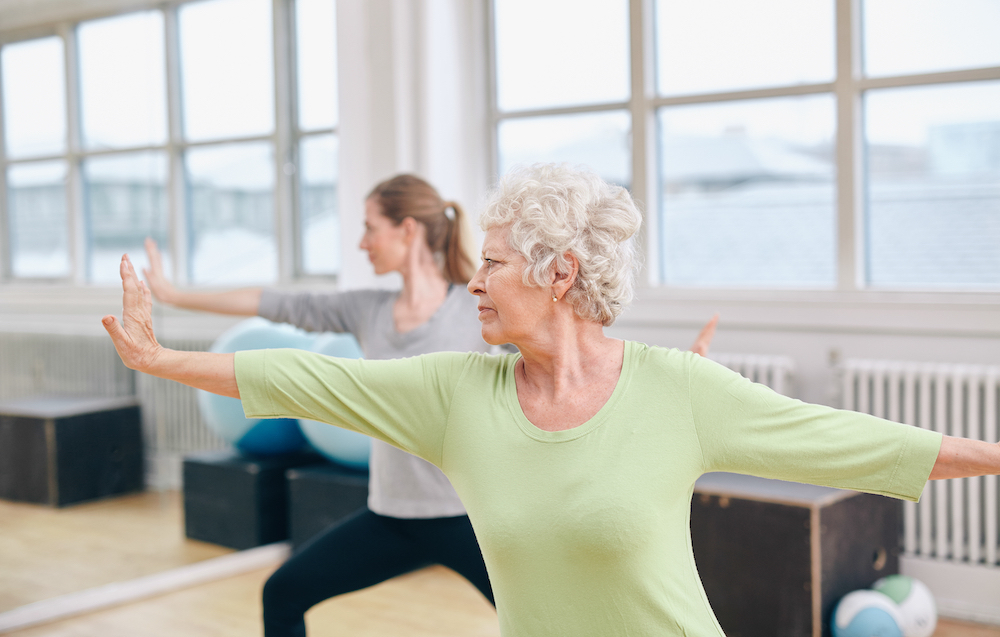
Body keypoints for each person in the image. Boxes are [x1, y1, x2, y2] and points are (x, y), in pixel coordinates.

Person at [102, 164, 999, 637]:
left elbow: (844, 438)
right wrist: (162, 356)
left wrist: (991, 453)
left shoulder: (674, 389)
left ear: (559, 271)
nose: (477, 283)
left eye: (492, 263)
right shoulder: (457, 395)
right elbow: (309, 378)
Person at [141, 172, 719, 635]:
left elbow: (567, 345)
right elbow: (273, 304)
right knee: (283, 592)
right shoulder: (365, 309)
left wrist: (674, 378)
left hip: (471, 518)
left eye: (371, 227)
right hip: (390, 512)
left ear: (408, 230)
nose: (363, 242)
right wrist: (173, 295)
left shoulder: (480, 305)